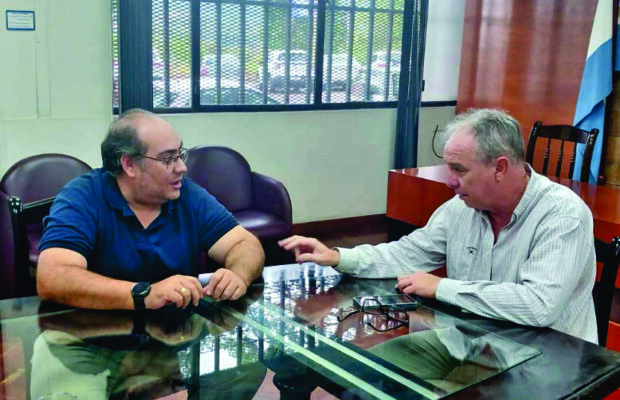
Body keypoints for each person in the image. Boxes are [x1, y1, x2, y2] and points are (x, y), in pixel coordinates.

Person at [279, 108, 597, 343]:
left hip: (550, 361)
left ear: (500, 167)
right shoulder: (460, 208)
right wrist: (339, 257)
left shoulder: (562, 214)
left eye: (460, 170)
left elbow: (538, 306)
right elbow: (406, 254)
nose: (449, 181)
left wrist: (441, 287)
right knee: (375, 374)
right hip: (473, 344)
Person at [37, 109, 264, 310]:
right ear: (129, 164)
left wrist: (238, 275)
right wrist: (145, 294)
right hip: (94, 330)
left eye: (180, 154)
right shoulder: (83, 196)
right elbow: (53, 278)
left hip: (174, 333)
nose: (182, 167)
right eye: (168, 158)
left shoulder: (187, 194)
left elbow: (244, 244)